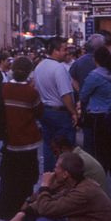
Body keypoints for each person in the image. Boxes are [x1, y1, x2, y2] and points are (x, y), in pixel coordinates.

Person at [0, 56, 43, 221]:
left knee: (8, 179)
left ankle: (5, 212)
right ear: (30, 73)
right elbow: (40, 112)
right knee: (27, 180)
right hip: (28, 143)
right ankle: (22, 212)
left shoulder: (4, 89)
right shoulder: (31, 93)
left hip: (10, 141)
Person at [32, 38, 79, 173]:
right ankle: (64, 176)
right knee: (66, 146)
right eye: (64, 49)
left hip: (45, 111)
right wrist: (74, 112)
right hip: (60, 113)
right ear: (55, 51)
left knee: (48, 145)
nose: (67, 52)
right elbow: (65, 95)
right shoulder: (59, 68)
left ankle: (50, 175)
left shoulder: (40, 66)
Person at [78, 46, 111, 163]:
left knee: (96, 150)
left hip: (97, 115)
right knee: (110, 148)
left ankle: (98, 175)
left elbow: (83, 95)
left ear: (95, 60)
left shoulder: (95, 76)